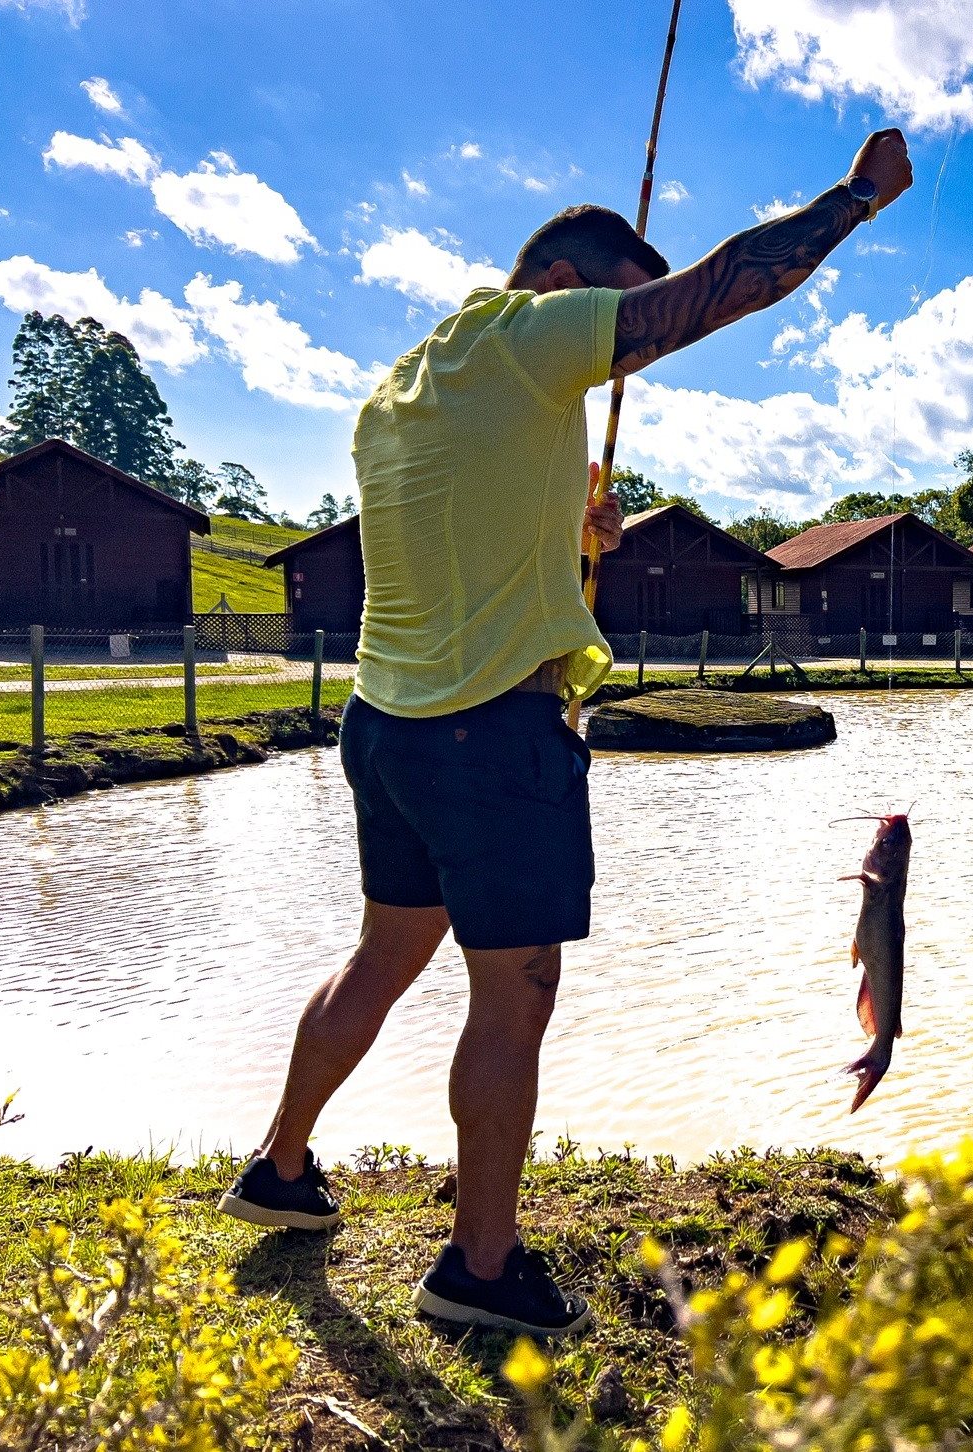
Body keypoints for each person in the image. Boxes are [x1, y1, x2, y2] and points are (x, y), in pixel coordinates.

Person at [217, 130, 914, 1337]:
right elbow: (721, 287)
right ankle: (479, 1272)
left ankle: (280, 1172)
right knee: (515, 991)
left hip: (387, 728)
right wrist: (853, 202)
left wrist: (568, 534)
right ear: (565, 288)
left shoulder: (404, 387)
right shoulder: (537, 338)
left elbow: (463, 529)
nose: (626, 347)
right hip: (493, 737)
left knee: (382, 960)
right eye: (615, 318)